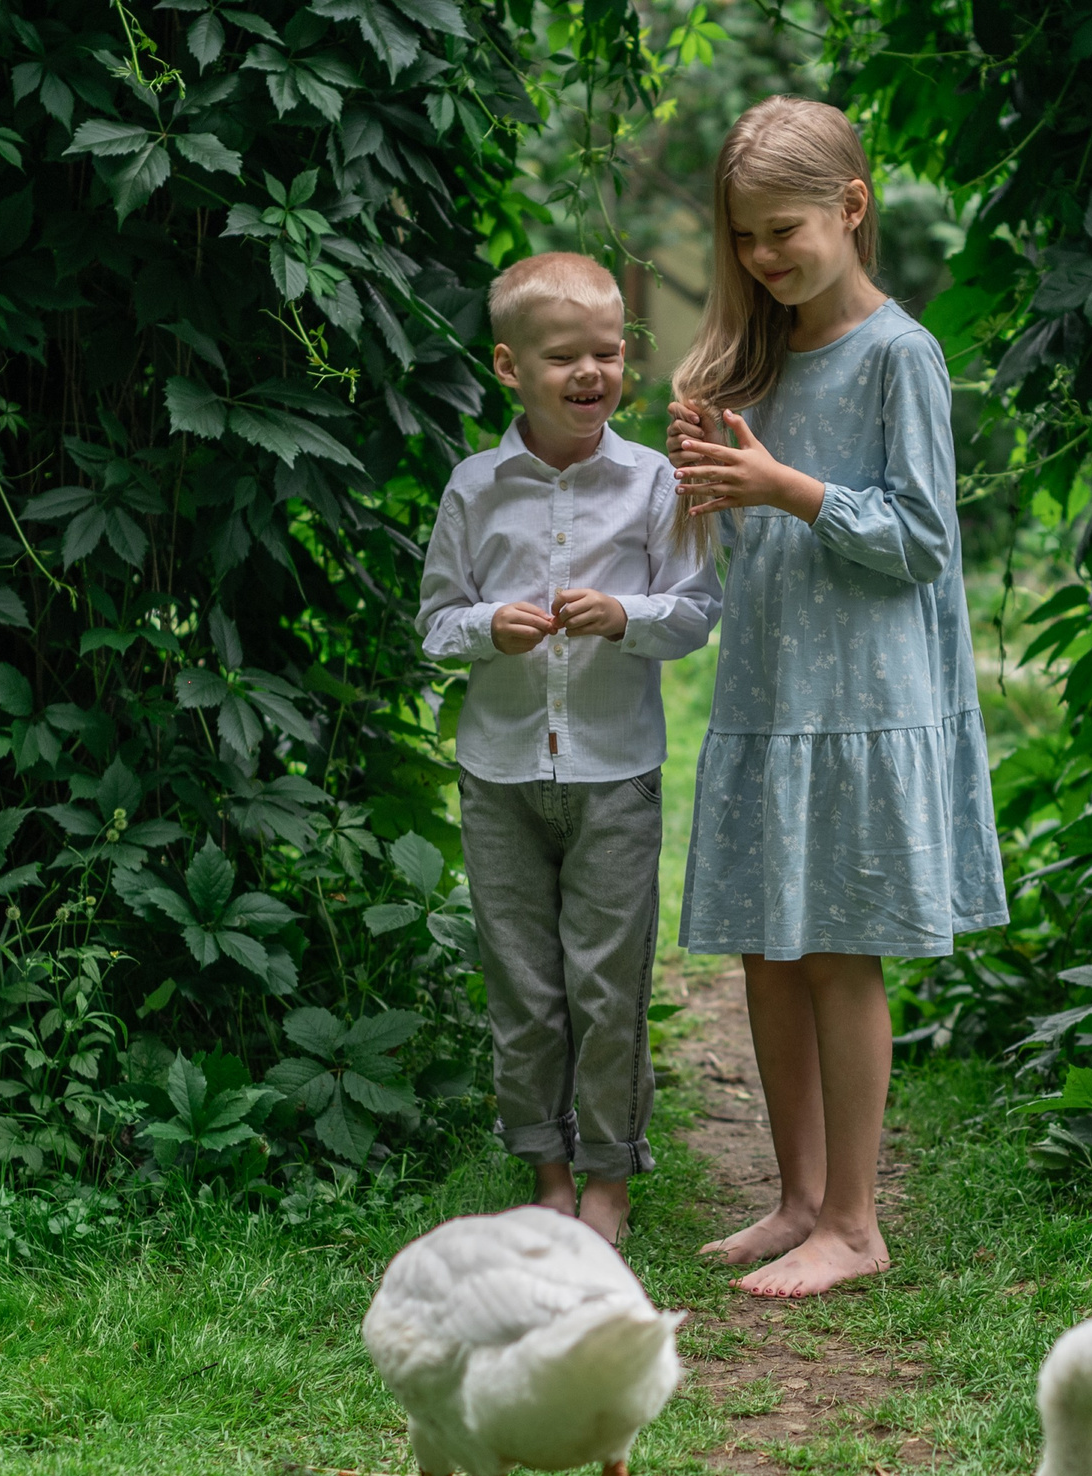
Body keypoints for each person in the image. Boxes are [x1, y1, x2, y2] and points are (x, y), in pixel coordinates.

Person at [667, 98, 1007, 1297]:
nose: (763, 257)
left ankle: (856, 1223)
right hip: (771, 692)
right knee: (768, 946)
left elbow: (922, 537)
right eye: (745, 238)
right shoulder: (762, 355)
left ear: (851, 209)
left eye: (784, 230)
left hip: (863, 702)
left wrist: (787, 485)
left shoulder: (896, 353)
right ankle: (798, 1199)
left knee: (837, 954)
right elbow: (732, 544)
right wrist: (710, 474)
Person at [419, 252, 721, 1244]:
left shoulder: (652, 482)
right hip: (500, 771)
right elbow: (434, 624)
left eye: (608, 351)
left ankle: (608, 1179)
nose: (592, 372)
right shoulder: (474, 488)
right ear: (510, 366)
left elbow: (693, 609)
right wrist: (484, 628)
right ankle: (545, 1169)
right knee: (523, 983)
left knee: (607, 983)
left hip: (612, 770)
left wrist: (623, 613)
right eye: (564, 357)